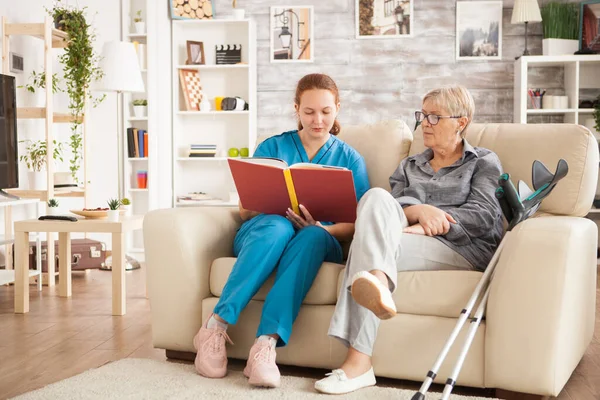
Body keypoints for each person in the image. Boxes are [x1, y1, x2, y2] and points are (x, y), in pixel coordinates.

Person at [315, 85, 504, 395]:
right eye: (422, 115)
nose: (425, 123)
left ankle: (359, 361)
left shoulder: (483, 161)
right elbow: (391, 208)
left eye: (434, 117)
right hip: (404, 239)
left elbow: (483, 216)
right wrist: (419, 210)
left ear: (461, 122)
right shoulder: (409, 166)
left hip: (462, 248)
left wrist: (428, 224)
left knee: (368, 243)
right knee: (375, 198)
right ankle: (376, 284)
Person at [193, 73, 370, 388]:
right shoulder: (272, 146)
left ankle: (265, 346)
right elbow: (245, 210)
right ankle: (214, 327)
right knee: (277, 226)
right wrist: (272, 202)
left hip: (320, 239)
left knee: (313, 235)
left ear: (338, 108)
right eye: (309, 111)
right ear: (296, 109)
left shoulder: (350, 159)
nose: (318, 120)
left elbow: (357, 224)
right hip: (265, 230)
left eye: (326, 111)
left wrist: (320, 226)